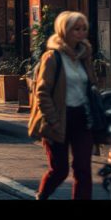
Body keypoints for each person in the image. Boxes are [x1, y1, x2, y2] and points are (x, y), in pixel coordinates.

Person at [29, 11, 97, 201]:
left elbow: (91, 85)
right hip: (58, 118)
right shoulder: (52, 58)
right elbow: (42, 92)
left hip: (82, 118)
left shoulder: (84, 55)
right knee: (60, 170)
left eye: (84, 29)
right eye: (76, 29)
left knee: (83, 169)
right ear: (64, 30)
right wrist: (53, 119)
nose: (81, 33)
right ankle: (42, 195)